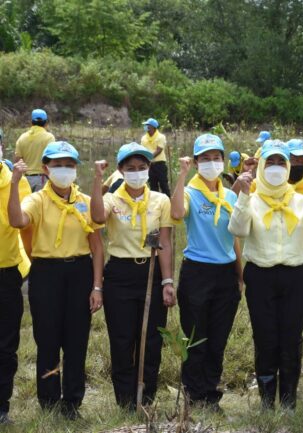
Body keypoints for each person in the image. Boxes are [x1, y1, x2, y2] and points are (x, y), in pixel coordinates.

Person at [8, 141, 104, 419]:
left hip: (80, 273)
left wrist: (97, 286)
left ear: (76, 169)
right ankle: (49, 401)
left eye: (70, 165)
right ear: (46, 169)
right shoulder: (37, 200)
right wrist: (15, 183)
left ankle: (72, 402)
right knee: (48, 339)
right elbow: (17, 220)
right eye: (58, 164)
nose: (64, 170)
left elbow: (97, 246)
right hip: (46, 274)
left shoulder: (84, 202)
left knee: (76, 340)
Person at [228, 140, 303, 410]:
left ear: (288, 166)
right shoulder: (252, 199)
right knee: (265, 335)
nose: (275, 167)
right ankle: (267, 400)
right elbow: (237, 230)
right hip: (261, 276)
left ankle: (289, 398)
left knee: (292, 337)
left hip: (297, 276)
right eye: (269, 162)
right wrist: (244, 195)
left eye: (281, 162)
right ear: (259, 166)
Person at [90, 142, 176, 409]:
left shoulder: (160, 200)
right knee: (122, 339)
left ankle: (146, 398)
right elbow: (96, 217)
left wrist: (167, 281)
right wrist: (97, 181)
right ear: (121, 170)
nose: (137, 172)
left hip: (150, 271)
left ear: (149, 169)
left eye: (142, 167)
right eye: (131, 168)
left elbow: (165, 241)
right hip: (119, 274)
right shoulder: (111, 200)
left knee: (150, 339)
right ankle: (125, 402)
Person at [170, 134, 242, 412]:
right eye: (205, 158)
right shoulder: (190, 192)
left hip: (225, 273)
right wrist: (181, 175)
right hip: (197, 272)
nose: (211, 163)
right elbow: (177, 213)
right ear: (196, 161)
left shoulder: (230, 195)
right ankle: (193, 393)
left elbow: (234, 237)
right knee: (195, 336)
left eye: (216, 158)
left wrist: (239, 274)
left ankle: (210, 393)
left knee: (218, 337)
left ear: (223, 161)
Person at [0, 157, 31, 425]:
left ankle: (1, 407)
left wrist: (13, 183)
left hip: (7, 273)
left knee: (5, 346)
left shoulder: (17, 183)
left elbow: (17, 222)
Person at [14, 109, 55, 192]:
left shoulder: (22, 138)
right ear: (46, 123)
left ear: (31, 122)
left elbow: (17, 161)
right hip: (42, 180)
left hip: (25, 180)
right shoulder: (49, 138)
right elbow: (52, 160)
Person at [140, 118, 170, 196]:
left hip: (160, 164)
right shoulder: (144, 138)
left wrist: (148, 157)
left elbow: (159, 150)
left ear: (153, 127)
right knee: (153, 185)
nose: (146, 127)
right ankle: (155, 204)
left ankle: (168, 202)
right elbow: (142, 150)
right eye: (145, 125)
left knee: (163, 184)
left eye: (147, 125)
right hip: (149, 165)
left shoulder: (161, 137)